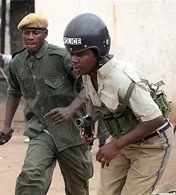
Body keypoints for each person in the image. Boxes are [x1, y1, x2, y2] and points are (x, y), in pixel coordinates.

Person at [63, 13, 174, 195]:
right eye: (72, 53)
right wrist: (90, 122)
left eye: (81, 54)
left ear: (98, 53)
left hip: (151, 143)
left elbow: (155, 119)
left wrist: (115, 145)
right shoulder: (87, 74)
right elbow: (95, 100)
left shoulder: (123, 78)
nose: (74, 59)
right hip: (123, 138)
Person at [0, 13, 93, 195]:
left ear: (45, 34)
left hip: (71, 132)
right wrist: (6, 126)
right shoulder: (17, 62)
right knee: (30, 177)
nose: (30, 37)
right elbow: (13, 92)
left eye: (35, 32)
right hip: (41, 131)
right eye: (26, 33)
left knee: (77, 187)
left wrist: (71, 110)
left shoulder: (62, 57)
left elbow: (88, 86)